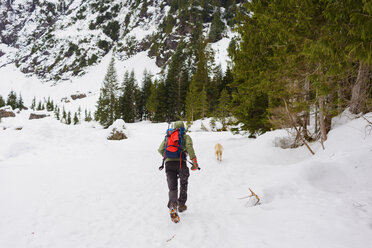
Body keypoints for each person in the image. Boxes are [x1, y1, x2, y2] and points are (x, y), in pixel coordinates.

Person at [158, 121, 199, 222]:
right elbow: (190, 148)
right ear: (183, 128)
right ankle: (181, 205)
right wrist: (194, 163)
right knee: (183, 184)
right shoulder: (185, 137)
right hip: (181, 163)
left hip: (169, 164)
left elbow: (160, 150)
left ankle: (173, 205)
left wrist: (167, 156)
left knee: (173, 188)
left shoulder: (168, 136)